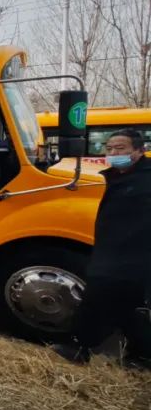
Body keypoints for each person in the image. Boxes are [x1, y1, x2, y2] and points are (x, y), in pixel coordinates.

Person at [53, 129, 151, 366]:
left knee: (101, 299)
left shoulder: (144, 180)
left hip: (132, 254)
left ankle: (79, 347)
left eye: (120, 149)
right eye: (109, 149)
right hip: (113, 250)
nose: (113, 153)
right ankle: (140, 355)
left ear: (139, 151)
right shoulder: (116, 176)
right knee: (127, 305)